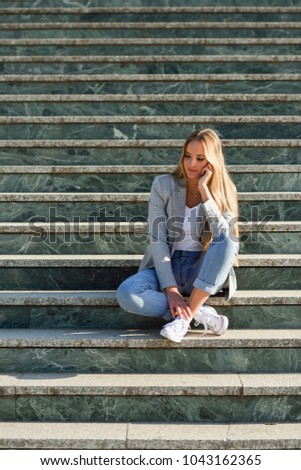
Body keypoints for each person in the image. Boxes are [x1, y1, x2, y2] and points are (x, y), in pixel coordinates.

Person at [117, 128, 239, 343]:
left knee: (229, 240)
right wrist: (170, 289)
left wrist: (205, 192)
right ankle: (197, 312)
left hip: (202, 271)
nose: (191, 164)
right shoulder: (163, 185)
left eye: (200, 158)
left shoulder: (226, 190)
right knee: (127, 294)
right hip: (166, 264)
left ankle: (184, 317)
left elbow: (222, 237)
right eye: (187, 156)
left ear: (212, 161)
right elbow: (158, 239)